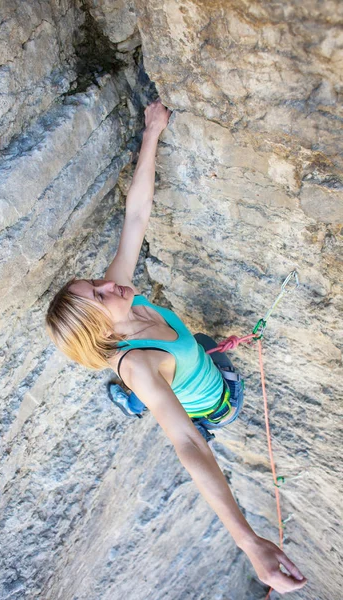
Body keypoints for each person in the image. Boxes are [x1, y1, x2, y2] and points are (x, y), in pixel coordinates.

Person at [45, 99, 307, 595]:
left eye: (93, 283)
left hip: (186, 361)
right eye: (98, 297)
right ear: (104, 333)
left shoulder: (119, 293)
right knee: (178, 378)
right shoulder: (140, 363)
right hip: (218, 403)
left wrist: (152, 132)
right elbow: (187, 445)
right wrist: (251, 544)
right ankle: (134, 399)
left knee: (197, 347)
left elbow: (137, 214)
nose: (108, 285)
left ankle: (141, 395)